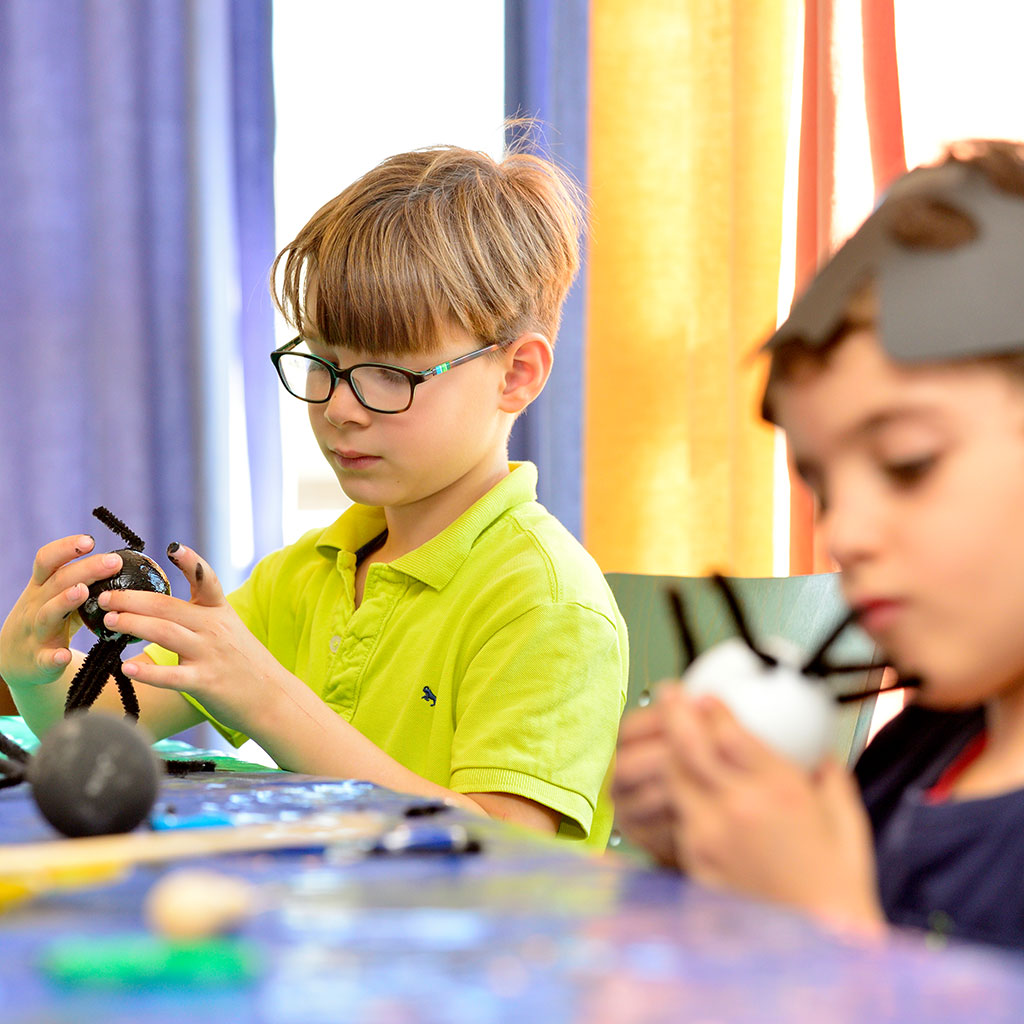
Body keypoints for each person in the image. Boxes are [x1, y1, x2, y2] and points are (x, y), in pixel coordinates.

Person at [0, 139, 628, 846]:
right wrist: (32, 668)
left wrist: (269, 700)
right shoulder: (302, 577)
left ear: (516, 376)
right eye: (324, 363)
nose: (340, 408)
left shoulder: (544, 600)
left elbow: (511, 850)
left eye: (391, 372)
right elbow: (111, 718)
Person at [612, 139, 1024, 947]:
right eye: (823, 487)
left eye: (908, 464)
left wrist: (829, 933)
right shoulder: (910, 762)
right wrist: (702, 859)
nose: (840, 532)